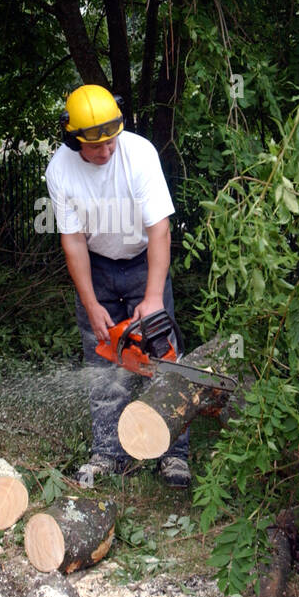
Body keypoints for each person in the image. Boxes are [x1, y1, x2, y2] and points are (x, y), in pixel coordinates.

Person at [44, 84, 190, 488]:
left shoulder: (139, 153)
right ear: (73, 139)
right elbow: (72, 241)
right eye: (95, 147)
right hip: (99, 267)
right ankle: (108, 452)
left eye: (110, 142)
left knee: (162, 357)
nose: (105, 152)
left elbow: (159, 227)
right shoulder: (60, 170)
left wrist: (153, 297)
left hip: (145, 261)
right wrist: (90, 303)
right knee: (103, 362)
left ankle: (174, 453)